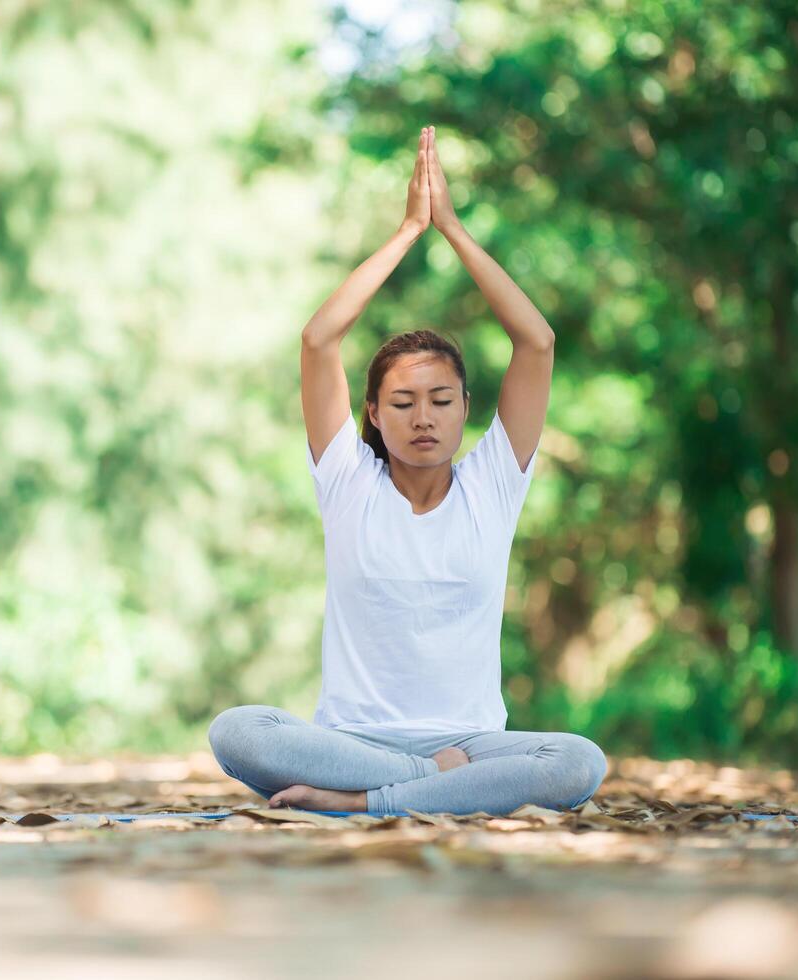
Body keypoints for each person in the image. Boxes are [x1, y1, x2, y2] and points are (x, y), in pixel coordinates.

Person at [207, 125, 607, 815]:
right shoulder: (348, 482)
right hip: (351, 739)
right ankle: (418, 782)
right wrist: (405, 233)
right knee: (237, 731)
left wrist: (449, 228)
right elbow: (317, 339)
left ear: (464, 409)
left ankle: (364, 801)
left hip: (473, 742)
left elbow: (535, 341)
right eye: (402, 402)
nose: (423, 418)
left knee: (576, 762)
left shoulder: (492, 484)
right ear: (374, 411)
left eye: (440, 401)